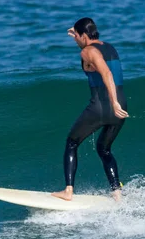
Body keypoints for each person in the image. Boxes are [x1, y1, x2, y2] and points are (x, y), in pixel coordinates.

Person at [52, 18, 129, 201]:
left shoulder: (88, 51)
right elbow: (102, 63)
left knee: (72, 143)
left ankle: (68, 191)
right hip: (122, 105)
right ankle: (116, 193)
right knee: (104, 148)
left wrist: (113, 102)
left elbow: (106, 73)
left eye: (76, 36)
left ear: (84, 35)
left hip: (102, 106)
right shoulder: (109, 47)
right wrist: (118, 103)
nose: (75, 40)